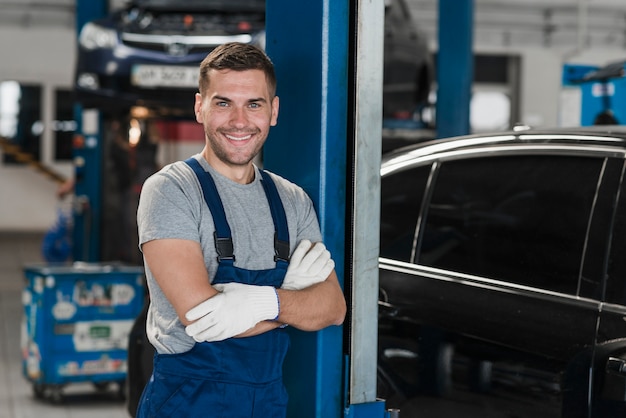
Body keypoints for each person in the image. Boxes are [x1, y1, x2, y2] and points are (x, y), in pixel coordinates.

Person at [135, 42, 347, 417]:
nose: (239, 120)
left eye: (254, 104)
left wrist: (263, 303)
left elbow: (332, 309)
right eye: (223, 103)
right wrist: (292, 297)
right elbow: (203, 318)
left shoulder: (292, 200)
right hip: (188, 401)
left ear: (273, 111)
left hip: (267, 403)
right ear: (199, 106)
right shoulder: (171, 190)